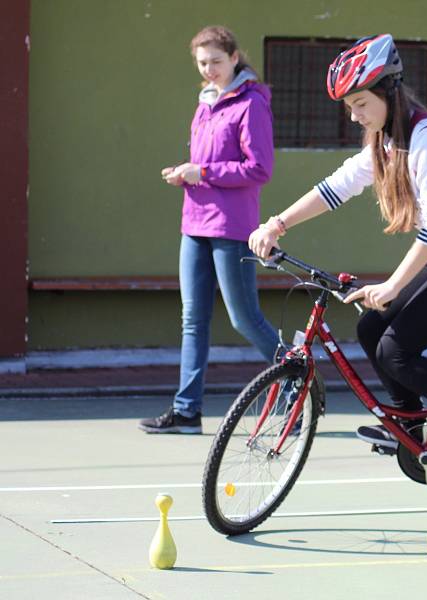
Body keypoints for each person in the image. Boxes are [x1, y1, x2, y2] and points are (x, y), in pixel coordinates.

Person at [248, 34, 427, 467]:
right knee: (371, 329)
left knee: (397, 350)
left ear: (388, 92)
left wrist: (393, 285)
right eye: (350, 108)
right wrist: (278, 223)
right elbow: (338, 186)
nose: (355, 116)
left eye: (360, 103)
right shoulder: (386, 139)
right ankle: (411, 425)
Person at [139, 26, 280, 434]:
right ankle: (186, 413)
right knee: (192, 320)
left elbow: (260, 168)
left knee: (244, 318)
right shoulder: (205, 104)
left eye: (216, 61)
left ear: (235, 58)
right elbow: (205, 166)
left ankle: (298, 386)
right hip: (194, 224)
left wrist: (202, 172)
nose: (210, 69)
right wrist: (186, 174)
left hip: (232, 227)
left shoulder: (251, 104)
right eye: (203, 63)